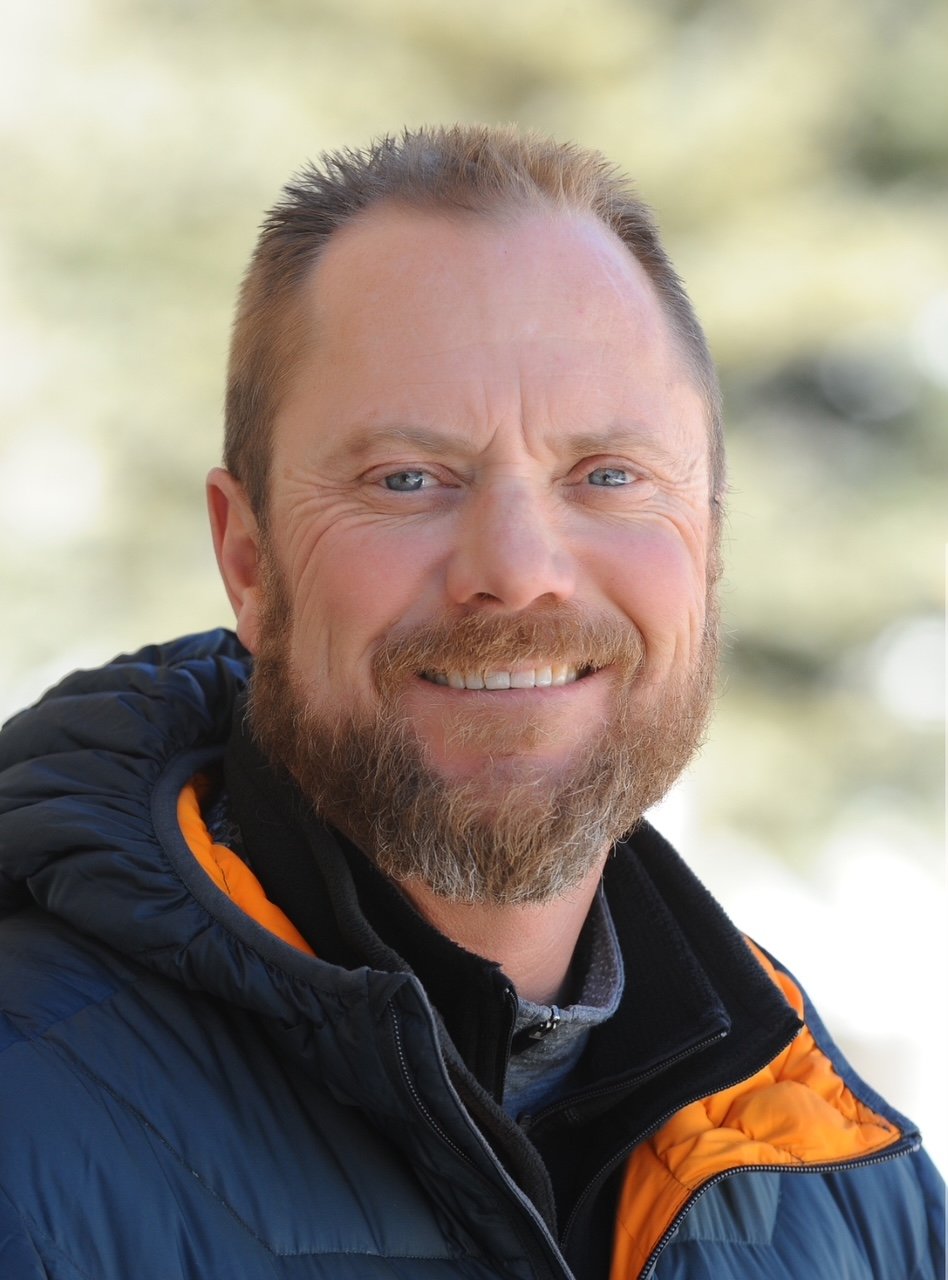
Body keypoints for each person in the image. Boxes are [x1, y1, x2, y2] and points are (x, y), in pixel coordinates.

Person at [0, 125, 942, 1280]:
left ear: (707, 539)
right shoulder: (26, 1133)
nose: (518, 565)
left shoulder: (855, 1195)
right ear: (248, 557)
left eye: (609, 475)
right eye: (408, 478)